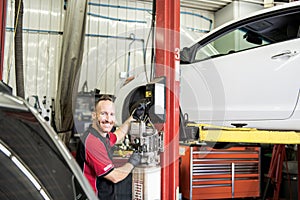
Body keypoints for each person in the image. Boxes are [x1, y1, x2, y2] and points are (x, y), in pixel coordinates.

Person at [76, 95, 145, 200]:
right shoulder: (92, 142)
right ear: (94, 115)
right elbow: (115, 176)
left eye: (111, 114)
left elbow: (119, 134)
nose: (108, 119)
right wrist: (132, 162)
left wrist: (133, 117)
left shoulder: (101, 136)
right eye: (103, 114)